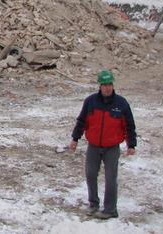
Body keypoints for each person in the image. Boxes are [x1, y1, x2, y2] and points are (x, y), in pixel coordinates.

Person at [69, 69, 136, 219]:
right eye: (104, 84)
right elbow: (82, 122)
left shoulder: (121, 103)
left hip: (111, 147)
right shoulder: (91, 101)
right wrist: (75, 138)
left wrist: (131, 144)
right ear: (99, 85)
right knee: (91, 175)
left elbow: (129, 125)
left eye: (110, 84)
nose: (107, 87)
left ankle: (110, 209)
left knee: (111, 178)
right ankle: (93, 205)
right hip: (93, 146)